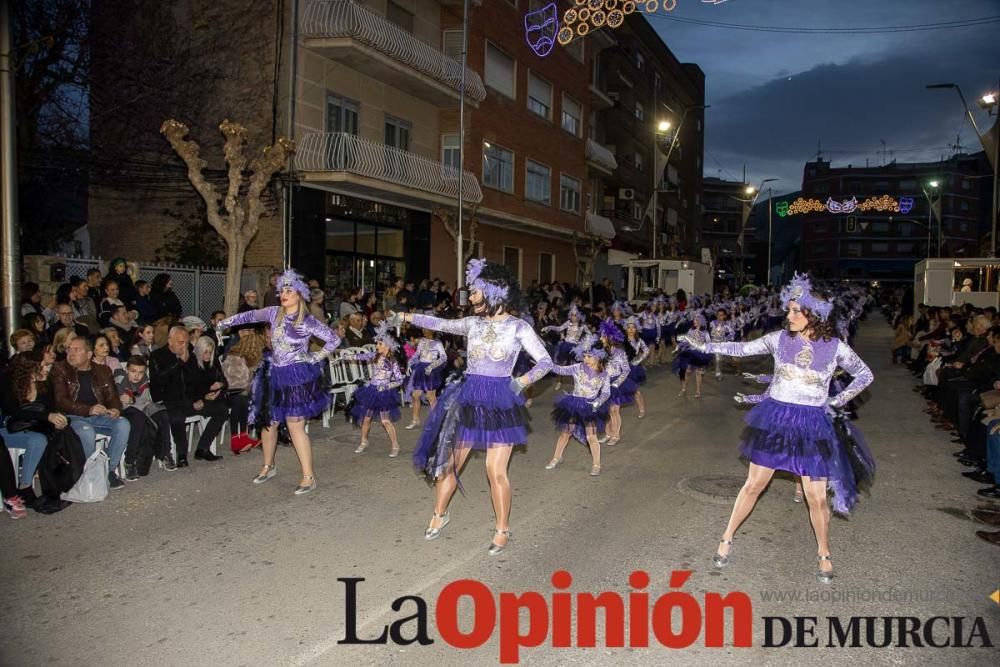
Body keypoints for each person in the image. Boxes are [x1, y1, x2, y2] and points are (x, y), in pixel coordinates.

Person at [681, 273, 875, 584]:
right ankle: (726, 537)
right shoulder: (778, 339)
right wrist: (705, 346)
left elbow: (864, 375)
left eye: (796, 310)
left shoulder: (835, 347)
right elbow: (742, 349)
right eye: (789, 309)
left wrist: (836, 400)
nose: (789, 315)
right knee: (753, 485)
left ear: (813, 314)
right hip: (777, 420)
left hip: (813, 424)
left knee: (817, 497)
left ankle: (824, 553)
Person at [402, 258, 553, 555]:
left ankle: (502, 528)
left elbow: (546, 361)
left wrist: (521, 382)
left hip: (500, 401)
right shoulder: (473, 323)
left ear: (492, 292)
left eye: (474, 292)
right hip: (470, 398)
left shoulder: (518, 327)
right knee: (450, 463)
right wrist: (407, 315)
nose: (469, 297)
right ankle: (440, 513)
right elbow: (440, 323)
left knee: (494, 470)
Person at [218, 269, 341, 495]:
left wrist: (316, 356)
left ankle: (308, 476)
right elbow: (251, 316)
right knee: (269, 421)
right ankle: (268, 465)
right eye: (282, 290)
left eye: (289, 290)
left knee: (295, 424)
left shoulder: (307, 320)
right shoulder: (275, 313)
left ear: (299, 295)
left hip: (296, 376)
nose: (283, 294)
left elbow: (334, 338)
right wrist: (227, 321)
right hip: (274, 373)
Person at [50, 336, 131, 489]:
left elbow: (113, 397)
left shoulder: (103, 370)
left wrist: (115, 409)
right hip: (72, 417)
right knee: (87, 432)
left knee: (123, 424)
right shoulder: (60, 369)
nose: (71, 353)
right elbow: (60, 401)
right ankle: (89, 473)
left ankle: (108, 470)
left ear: (88, 354)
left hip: (99, 416)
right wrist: (88, 409)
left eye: (76, 350)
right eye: (69, 350)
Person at [148, 326, 227, 467]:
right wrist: (179, 362)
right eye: (180, 342)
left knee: (221, 410)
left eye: (186, 342)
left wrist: (203, 397)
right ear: (170, 340)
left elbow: (198, 381)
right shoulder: (158, 356)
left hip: (191, 400)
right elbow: (157, 383)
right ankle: (182, 454)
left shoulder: (190, 354)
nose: (184, 345)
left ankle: (202, 448)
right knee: (177, 417)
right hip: (169, 401)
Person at [545, 334, 611, 477]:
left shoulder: (604, 374)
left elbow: (606, 393)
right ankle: (556, 457)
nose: (586, 359)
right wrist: (548, 364)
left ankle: (596, 464)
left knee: (591, 437)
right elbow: (560, 370)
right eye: (584, 356)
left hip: (589, 406)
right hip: (574, 404)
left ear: (598, 356)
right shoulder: (577, 368)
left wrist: (598, 402)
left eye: (589, 356)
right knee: (565, 433)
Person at [337, 322, 404, 457]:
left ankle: (395, 445)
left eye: (380, 344)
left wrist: (386, 386)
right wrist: (343, 357)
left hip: (383, 393)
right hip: (371, 391)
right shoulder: (374, 356)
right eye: (377, 343)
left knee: (385, 421)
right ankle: (363, 441)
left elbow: (399, 380)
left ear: (388, 346)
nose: (377, 346)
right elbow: (359, 356)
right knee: (366, 418)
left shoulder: (392, 362)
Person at [117, 355, 176, 474]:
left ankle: (165, 454)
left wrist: (137, 402)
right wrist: (131, 400)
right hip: (126, 412)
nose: (137, 375)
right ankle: (130, 461)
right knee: (140, 419)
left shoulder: (144, 380)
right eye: (133, 371)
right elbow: (123, 404)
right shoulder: (119, 380)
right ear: (127, 369)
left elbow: (146, 402)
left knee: (162, 414)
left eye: (141, 372)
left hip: (142, 408)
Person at [221, 332, 265, 454]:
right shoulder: (234, 357)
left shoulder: (247, 358)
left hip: (242, 391)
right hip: (231, 392)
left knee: (247, 399)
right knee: (241, 399)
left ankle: (244, 436)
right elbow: (232, 381)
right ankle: (237, 438)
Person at [598, 319, 634, 446]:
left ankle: (616, 435)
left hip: (617, 384)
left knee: (614, 410)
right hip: (604, 383)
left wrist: (617, 383)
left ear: (609, 337)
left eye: (603, 335)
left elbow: (626, 370)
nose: (601, 337)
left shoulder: (620, 353)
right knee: (607, 410)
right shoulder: (601, 352)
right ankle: (608, 434)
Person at [404, 328, 446, 429]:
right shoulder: (422, 341)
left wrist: (431, 366)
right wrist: (410, 364)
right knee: (415, 395)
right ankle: (415, 420)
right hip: (420, 369)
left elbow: (444, 357)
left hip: (431, 370)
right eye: (423, 328)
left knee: (431, 396)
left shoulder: (437, 342)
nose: (424, 330)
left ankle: (436, 421)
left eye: (426, 328)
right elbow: (417, 354)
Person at [673, 313, 711, 398]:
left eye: (696, 320)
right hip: (690, 353)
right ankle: (684, 389)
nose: (694, 321)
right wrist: (678, 346)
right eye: (694, 320)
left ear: (701, 321)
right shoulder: (691, 330)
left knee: (698, 373)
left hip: (699, 354)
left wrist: (703, 349)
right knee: (687, 371)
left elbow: (708, 344)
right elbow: (686, 340)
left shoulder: (705, 333)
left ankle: (698, 391)